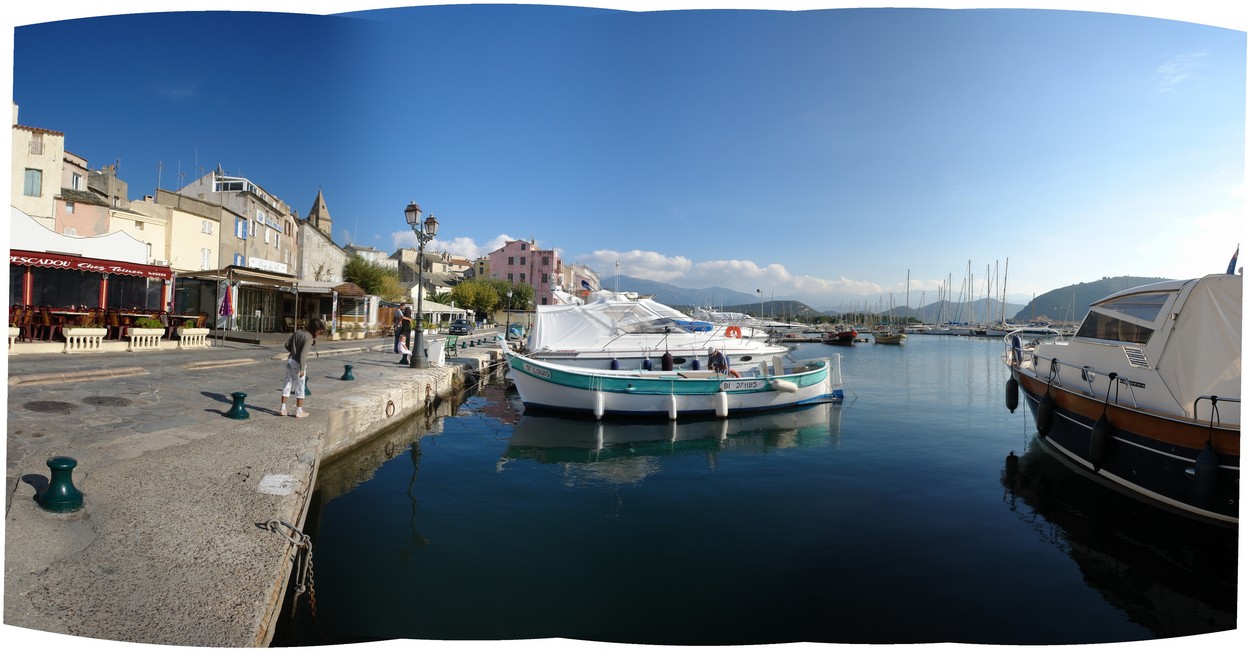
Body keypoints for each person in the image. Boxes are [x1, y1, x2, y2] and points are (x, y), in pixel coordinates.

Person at [280, 318, 325, 418]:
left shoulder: (298, 332)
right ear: (315, 329)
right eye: (318, 331)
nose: (319, 333)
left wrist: (293, 351)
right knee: (300, 386)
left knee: (287, 383)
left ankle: (283, 409)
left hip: (290, 360)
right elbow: (303, 356)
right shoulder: (309, 338)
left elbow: (287, 345)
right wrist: (301, 369)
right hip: (298, 363)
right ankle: (299, 411)